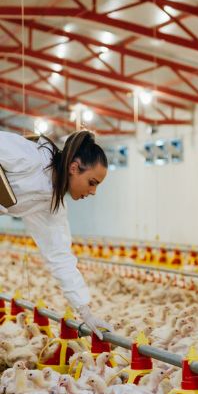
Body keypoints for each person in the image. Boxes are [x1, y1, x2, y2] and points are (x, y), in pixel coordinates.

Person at [0, 130, 113, 339]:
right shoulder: (30, 158)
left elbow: (59, 255)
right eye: (92, 182)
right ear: (74, 168)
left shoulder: (52, 204)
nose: (93, 192)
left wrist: (85, 310)